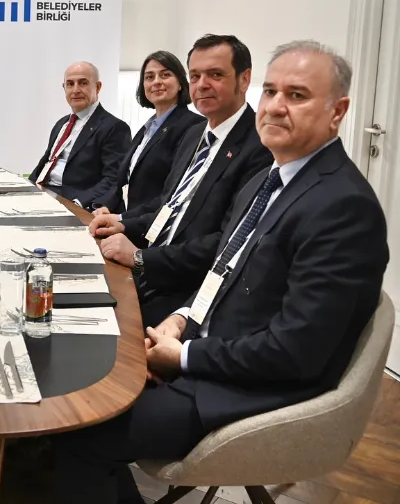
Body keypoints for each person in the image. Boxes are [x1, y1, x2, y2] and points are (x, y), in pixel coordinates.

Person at [52, 40, 388, 504]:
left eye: (296, 95)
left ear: (338, 112)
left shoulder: (344, 207)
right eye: (271, 91)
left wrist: (185, 357)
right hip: (213, 354)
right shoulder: (271, 180)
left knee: (76, 427)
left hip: (248, 391)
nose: (275, 106)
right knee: (80, 384)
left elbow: (295, 352)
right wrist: (181, 320)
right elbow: (224, 272)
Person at [90, 34, 273, 326]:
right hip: (151, 268)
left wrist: (141, 258)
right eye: (195, 76)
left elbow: (228, 242)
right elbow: (169, 206)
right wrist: (123, 224)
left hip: (188, 293)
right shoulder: (194, 135)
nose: (202, 84)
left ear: (244, 79)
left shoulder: (260, 146)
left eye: (215, 75)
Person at [91, 51, 203, 213]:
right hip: (126, 218)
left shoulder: (194, 126)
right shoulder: (147, 129)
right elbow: (124, 182)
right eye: (149, 77)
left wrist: (123, 220)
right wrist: (105, 207)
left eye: (165, 75)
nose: (156, 82)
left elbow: (173, 194)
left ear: (180, 83)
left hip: (153, 223)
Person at [28, 62, 131, 210]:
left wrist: (78, 203)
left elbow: (113, 179)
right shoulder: (61, 124)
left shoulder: (115, 128)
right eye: (70, 84)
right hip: (45, 193)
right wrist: (26, 188)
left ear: (98, 87)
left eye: (83, 83)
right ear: (64, 88)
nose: (75, 90)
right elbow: (46, 163)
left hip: (75, 202)